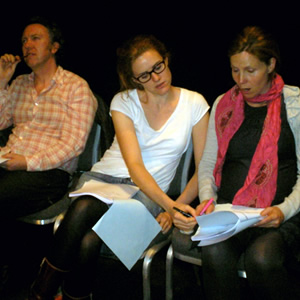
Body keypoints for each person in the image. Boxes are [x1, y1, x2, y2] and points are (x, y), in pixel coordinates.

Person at [28, 34, 209, 299]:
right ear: (134, 80)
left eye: (158, 67)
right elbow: (133, 165)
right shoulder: (123, 101)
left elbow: (203, 168)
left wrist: (174, 207)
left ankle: (50, 291)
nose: (157, 78)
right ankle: (43, 292)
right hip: (105, 180)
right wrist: (171, 206)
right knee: (84, 208)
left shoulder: (194, 103)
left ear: (166, 59)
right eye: (145, 75)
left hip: (146, 195)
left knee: (89, 242)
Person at [190, 26, 300, 300]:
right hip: (231, 213)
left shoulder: (294, 104)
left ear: (271, 64)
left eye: (250, 70)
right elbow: (207, 165)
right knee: (214, 251)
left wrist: (283, 211)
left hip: (280, 214)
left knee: (261, 259)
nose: (241, 79)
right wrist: (207, 200)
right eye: (235, 70)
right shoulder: (224, 104)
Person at [0, 16, 97, 218]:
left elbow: (73, 144)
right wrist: (2, 83)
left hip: (49, 173)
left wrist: (27, 162)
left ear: (54, 47)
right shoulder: (18, 84)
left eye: (35, 38)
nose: (27, 45)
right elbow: (2, 122)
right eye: (24, 41)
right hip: (9, 162)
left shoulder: (75, 87)